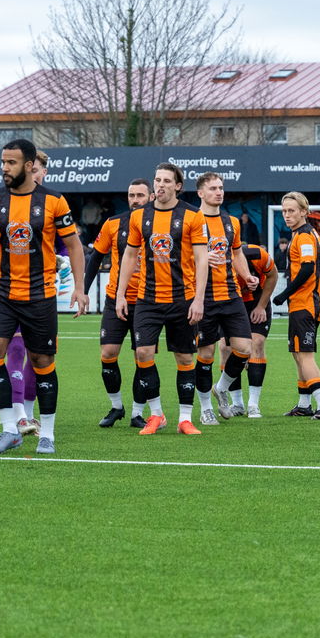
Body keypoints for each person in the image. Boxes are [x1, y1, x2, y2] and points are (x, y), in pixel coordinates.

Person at [0, 138, 88, 456]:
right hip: (2, 293)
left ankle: (48, 433)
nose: (4, 168)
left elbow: (74, 246)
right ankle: (9, 429)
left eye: (11, 162)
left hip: (40, 293)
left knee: (43, 361)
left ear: (30, 166)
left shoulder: (55, 201)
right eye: (2, 162)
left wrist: (80, 288)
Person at [115, 162, 208, 436]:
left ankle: (185, 419)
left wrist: (199, 299)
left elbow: (202, 259)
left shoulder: (193, 216)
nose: (161, 185)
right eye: (158, 180)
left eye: (167, 181)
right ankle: (156, 415)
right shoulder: (139, 216)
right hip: (147, 299)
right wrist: (121, 294)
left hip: (183, 298)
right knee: (142, 353)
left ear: (178, 186)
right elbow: (130, 256)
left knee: (184, 357)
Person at [84, 177, 156, 430]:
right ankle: (116, 407)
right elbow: (95, 258)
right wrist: (83, 289)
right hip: (116, 298)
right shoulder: (114, 223)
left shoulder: (161, 224)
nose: (135, 200)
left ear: (152, 197)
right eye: (131, 195)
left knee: (142, 356)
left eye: (140, 195)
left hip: (148, 301)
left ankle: (138, 413)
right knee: (108, 353)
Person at [193, 173, 259, 425]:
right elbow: (178, 257)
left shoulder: (231, 222)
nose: (218, 192)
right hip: (204, 297)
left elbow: (237, 253)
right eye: (212, 188)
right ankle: (206, 407)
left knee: (244, 348)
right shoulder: (191, 221)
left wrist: (247, 276)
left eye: (221, 188)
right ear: (200, 193)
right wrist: (199, 259)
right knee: (206, 353)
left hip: (231, 295)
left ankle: (221, 388)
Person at [272, 191, 320, 419]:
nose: (287, 215)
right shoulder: (306, 234)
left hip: (304, 305)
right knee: (298, 353)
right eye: (285, 211)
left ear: (304, 212)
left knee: (305, 356)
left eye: (292, 211)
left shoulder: (304, 236)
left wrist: (284, 293)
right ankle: (304, 404)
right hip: (305, 303)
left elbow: (308, 268)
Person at [6, 150, 51, 436]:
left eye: (38, 172)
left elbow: (61, 242)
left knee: (40, 355)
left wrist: (60, 259)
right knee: (16, 348)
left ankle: (29, 412)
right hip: (11, 289)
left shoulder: (51, 202)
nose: (34, 176)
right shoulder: (6, 200)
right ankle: (18, 414)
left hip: (43, 291)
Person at [218, 242, 278, 419]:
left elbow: (273, 276)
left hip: (256, 303)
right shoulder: (219, 260)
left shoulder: (258, 255)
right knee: (225, 348)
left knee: (257, 344)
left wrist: (261, 306)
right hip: (230, 304)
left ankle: (253, 404)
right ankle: (237, 403)